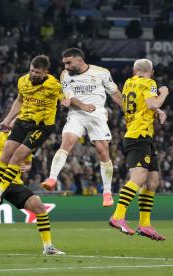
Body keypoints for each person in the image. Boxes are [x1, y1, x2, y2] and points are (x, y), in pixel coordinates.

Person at [0, 55, 64, 206]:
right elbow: (19, 101)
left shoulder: (53, 84)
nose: (33, 74)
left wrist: (70, 102)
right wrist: (7, 119)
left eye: (37, 72)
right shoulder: (23, 81)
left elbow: (66, 98)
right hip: (23, 121)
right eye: (32, 70)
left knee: (16, 158)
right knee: (5, 155)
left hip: (41, 126)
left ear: (45, 72)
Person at [41, 48, 124, 207]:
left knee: (102, 150)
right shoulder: (65, 75)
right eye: (64, 63)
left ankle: (107, 192)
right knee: (67, 142)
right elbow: (70, 97)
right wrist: (82, 105)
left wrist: (127, 110)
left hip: (97, 113)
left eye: (68, 62)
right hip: (77, 113)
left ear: (80, 60)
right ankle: (52, 178)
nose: (65, 66)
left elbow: (114, 93)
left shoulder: (102, 72)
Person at [0, 130, 65, 255]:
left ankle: (48, 247)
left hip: (14, 182)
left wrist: (28, 166)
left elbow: (28, 162)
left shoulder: (25, 142)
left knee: (38, 206)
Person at [108, 59, 168, 240]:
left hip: (144, 137)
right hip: (138, 136)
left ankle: (145, 224)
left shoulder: (128, 83)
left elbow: (139, 106)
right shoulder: (150, 83)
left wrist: (156, 112)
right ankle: (117, 216)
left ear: (135, 71)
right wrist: (163, 94)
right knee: (139, 178)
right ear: (152, 71)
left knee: (153, 181)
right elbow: (152, 104)